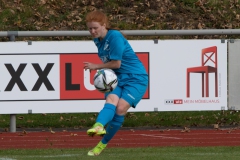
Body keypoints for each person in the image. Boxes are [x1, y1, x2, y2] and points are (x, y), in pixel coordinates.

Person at [83, 10, 148, 156]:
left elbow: (117, 63)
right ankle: (98, 126)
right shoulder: (97, 40)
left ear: (104, 25)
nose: (92, 31)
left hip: (136, 78)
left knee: (120, 109)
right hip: (116, 77)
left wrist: (96, 66)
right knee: (111, 100)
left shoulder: (115, 36)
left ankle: (102, 144)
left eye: (95, 28)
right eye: (90, 28)